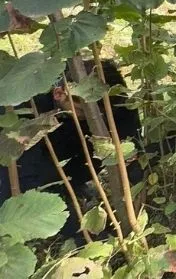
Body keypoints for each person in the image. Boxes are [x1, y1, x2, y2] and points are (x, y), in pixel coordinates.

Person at [0, 60, 143, 243]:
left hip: (61, 145)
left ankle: (68, 184)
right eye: (85, 112)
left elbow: (130, 135)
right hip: (16, 161)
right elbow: (23, 178)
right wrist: (82, 234)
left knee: (109, 127)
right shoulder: (26, 108)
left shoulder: (105, 105)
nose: (94, 120)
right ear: (60, 94)